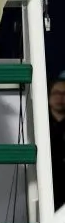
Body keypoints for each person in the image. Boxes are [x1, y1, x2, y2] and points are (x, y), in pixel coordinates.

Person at [49, 78, 65, 210]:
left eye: (64, 94)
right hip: (49, 185)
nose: (60, 97)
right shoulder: (38, 124)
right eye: (56, 93)